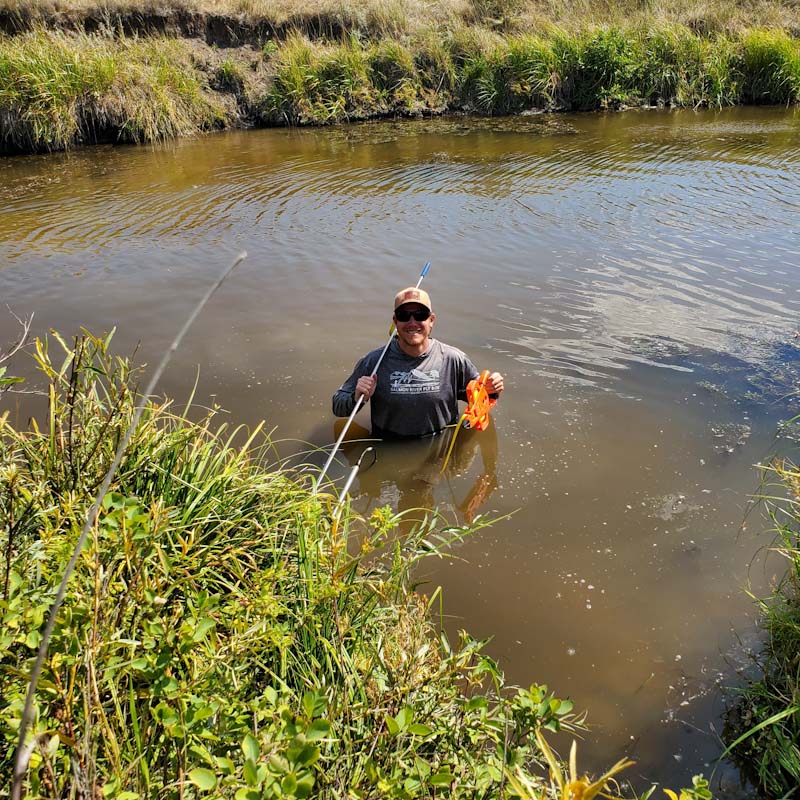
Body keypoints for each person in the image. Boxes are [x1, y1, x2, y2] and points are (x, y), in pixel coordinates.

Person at [332, 286, 504, 439]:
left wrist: (491, 389)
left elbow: (480, 399)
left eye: (420, 315)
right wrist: (357, 396)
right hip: (388, 446)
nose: (412, 322)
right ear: (395, 321)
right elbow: (338, 406)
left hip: (439, 446)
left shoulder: (453, 359)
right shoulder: (374, 361)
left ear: (431, 320)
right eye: (404, 315)